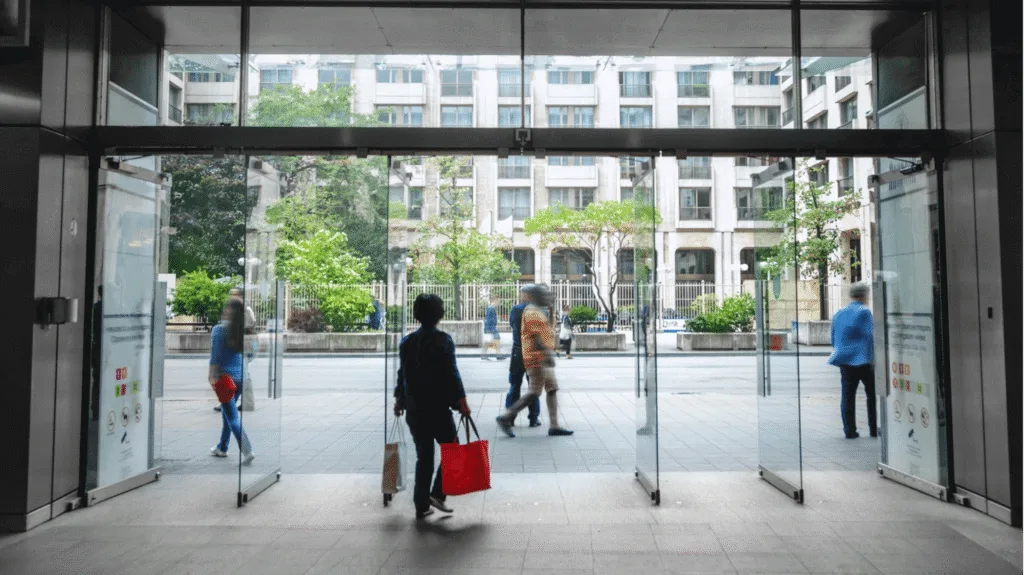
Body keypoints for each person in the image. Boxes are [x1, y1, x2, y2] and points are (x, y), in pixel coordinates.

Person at [393, 294, 472, 519]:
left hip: (415, 409)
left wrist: (399, 399)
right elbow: (451, 374)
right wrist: (461, 400)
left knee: (424, 457)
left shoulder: (407, 342)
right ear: (439, 313)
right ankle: (438, 493)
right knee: (453, 449)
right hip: (437, 408)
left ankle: (421, 504)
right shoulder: (443, 340)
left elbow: (403, 375)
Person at [497, 284, 574, 438]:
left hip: (541, 358)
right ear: (536, 297)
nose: (548, 297)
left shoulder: (539, 311)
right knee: (534, 392)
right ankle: (506, 417)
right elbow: (538, 340)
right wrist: (547, 355)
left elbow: (548, 331)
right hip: (537, 358)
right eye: (545, 295)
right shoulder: (532, 312)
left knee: (551, 389)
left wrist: (551, 310)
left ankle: (554, 425)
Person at [828, 283, 877, 439]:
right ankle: (873, 428)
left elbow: (833, 338)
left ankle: (850, 431)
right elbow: (870, 336)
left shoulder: (839, 313)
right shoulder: (864, 312)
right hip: (863, 361)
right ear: (864, 295)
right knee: (871, 395)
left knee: (847, 396)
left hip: (845, 361)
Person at [209, 298, 255, 463]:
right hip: (241, 377)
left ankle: (248, 450)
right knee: (227, 413)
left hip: (225, 379)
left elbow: (214, 356)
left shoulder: (219, 330)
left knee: (232, 416)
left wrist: (211, 375)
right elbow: (252, 354)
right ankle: (222, 447)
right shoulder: (243, 331)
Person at [505, 287, 541, 427]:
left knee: (514, 385)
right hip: (532, 352)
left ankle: (510, 418)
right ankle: (533, 419)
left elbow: (512, 325)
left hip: (518, 352)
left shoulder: (515, 309)